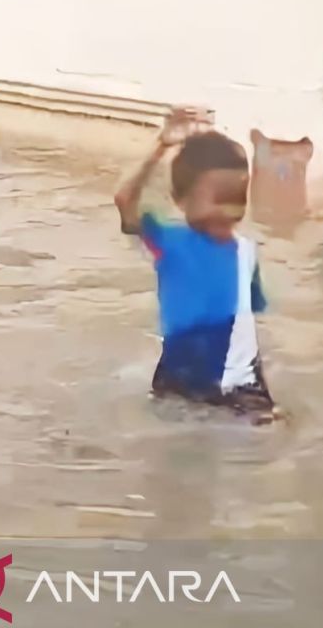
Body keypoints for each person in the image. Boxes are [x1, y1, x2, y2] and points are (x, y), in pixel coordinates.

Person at [114, 108, 279, 422]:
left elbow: (248, 330)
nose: (229, 208)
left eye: (238, 197)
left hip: (240, 388)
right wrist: (161, 146)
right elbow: (124, 199)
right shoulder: (169, 243)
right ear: (181, 199)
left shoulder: (246, 251)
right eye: (217, 198)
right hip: (179, 382)